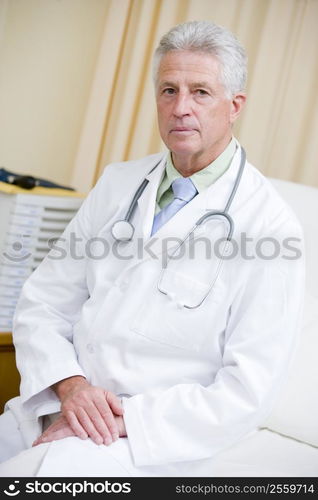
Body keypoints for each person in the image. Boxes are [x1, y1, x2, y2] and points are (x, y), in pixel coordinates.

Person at [0, 20, 304, 476]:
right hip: (62, 402)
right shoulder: (117, 183)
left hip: (146, 434)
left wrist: (122, 421)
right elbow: (43, 302)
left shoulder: (272, 226)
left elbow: (248, 389)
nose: (181, 107)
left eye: (200, 92)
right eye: (168, 90)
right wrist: (70, 386)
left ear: (234, 105)